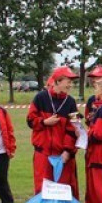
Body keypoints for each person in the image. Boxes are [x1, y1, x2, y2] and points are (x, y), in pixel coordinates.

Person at [26, 66, 80, 196]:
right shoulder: (40, 97)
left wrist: (67, 151)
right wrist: (44, 122)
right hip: (42, 153)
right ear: (57, 81)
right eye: (68, 81)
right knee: (42, 187)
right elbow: (30, 120)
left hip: (62, 155)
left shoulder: (72, 102)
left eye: (71, 82)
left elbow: (75, 128)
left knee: (64, 189)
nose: (70, 85)